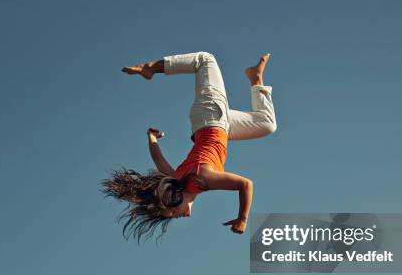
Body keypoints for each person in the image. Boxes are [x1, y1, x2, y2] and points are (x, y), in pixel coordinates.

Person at [101, 51, 277, 242]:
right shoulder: (179, 178)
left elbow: (245, 184)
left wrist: (243, 219)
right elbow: (159, 162)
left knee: (205, 59)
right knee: (267, 124)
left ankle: (150, 68)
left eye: (173, 212)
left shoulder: (202, 178)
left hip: (211, 116)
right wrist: (152, 138)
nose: (176, 216)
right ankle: (255, 77)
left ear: (175, 198)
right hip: (220, 125)